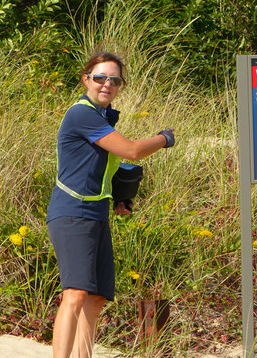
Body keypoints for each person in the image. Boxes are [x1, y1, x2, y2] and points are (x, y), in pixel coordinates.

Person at [46, 52, 175, 358]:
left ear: (120, 86)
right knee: (75, 294)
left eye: (114, 80)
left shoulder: (104, 117)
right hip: (71, 211)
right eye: (100, 78)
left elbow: (103, 165)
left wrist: (122, 197)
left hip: (97, 213)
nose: (107, 84)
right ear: (85, 79)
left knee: (96, 298)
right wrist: (164, 138)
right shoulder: (82, 114)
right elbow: (131, 151)